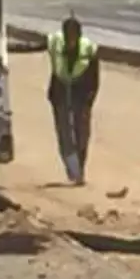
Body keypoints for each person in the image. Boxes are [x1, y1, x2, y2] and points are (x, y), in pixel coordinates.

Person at [41, 15, 100, 185]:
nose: (72, 40)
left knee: (82, 134)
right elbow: (35, 46)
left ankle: (80, 169)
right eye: (69, 36)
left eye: (75, 36)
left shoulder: (89, 49)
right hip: (59, 94)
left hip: (82, 95)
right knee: (65, 133)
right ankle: (73, 170)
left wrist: (90, 98)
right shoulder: (55, 43)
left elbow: (95, 77)